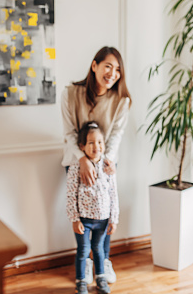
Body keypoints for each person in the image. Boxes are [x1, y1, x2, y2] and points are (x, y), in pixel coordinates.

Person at [61, 46, 131, 285]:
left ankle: (103, 259)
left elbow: (116, 137)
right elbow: (69, 132)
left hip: (106, 163)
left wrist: (103, 162)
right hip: (75, 161)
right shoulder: (70, 93)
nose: (112, 73)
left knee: (104, 211)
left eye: (118, 69)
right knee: (82, 211)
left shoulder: (121, 100)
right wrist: (82, 160)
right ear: (94, 66)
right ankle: (87, 260)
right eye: (108, 66)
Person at [66, 121, 119, 294]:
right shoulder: (76, 168)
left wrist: (114, 219)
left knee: (99, 249)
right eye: (91, 143)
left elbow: (113, 194)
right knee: (83, 250)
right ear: (82, 146)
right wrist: (74, 219)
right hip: (84, 220)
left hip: (103, 220)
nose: (96, 146)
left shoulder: (108, 167)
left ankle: (101, 278)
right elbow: (71, 195)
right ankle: (81, 281)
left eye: (99, 142)